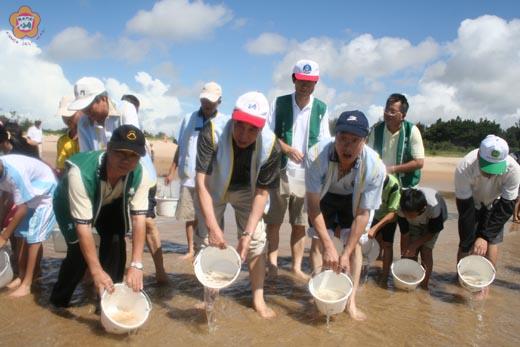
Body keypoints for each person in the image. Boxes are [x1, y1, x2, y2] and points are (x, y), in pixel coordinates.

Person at [67, 78, 167, 283]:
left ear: (103, 98)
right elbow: (90, 155)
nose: (86, 111)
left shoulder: (125, 109)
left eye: (89, 105)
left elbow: (132, 145)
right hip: (106, 179)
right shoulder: (85, 122)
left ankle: (159, 271)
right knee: (111, 227)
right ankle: (109, 272)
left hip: (138, 175)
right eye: (83, 107)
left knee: (146, 222)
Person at [195, 91, 281, 319]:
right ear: (233, 117)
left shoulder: (272, 146)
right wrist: (214, 228)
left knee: (256, 242)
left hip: (248, 192)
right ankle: (209, 296)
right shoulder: (212, 130)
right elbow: (200, 182)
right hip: (213, 186)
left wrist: (247, 233)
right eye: (240, 125)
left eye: (253, 129)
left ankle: (258, 298)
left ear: (262, 127)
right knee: (206, 240)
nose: (244, 134)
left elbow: (262, 193)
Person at [50, 125, 152, 307]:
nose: (126, 161)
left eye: (133, 155)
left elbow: (138, 220)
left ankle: (107, 303)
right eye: (120, 153)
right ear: (108, 148)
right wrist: (96, 269)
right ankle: (59, 301)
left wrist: (136, 264)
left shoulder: (141, 173)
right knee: (78, 255)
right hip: (69, 204)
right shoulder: (79, 173)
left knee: (116, 240)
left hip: (108, 199)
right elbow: (83, 228)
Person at [306, 110, 385, 321]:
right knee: (318, 243)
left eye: (354, 140)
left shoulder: (375, 167)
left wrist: (345, 250)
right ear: (335, 137)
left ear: (364, 141)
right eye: (342, 139)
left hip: (353, 198)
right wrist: (330, 245)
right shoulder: (315, 156)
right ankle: (317, 299)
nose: (347, 147)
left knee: (355, 246)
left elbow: (363, 214)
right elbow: (313, 206)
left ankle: (351, 302)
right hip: (325, 194)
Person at [265, 59, 331, 281]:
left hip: (308, 175)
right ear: (294, 80)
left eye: (310, 82)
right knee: (273, 220)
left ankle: (295, 267)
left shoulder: (321, 108)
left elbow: (324, 141)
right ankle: (272, 263)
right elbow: (267, 134)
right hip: (280, 170)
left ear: (316, 83)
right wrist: (285, 148)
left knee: (300, 223)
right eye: (302, 81)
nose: (306, 86)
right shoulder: (279, 103)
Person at [165, 82, 226, 260]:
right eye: (204, 100)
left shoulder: (224, 122)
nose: (207, 104)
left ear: (219, 101)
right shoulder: (188, 118)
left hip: (211, 182)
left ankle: (212, 252)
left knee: (211, 219)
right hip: (188, 178)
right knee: (189, 215)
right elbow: (181, 146)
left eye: (212, 101)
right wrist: (171, 171)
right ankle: (192, 249)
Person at [455, 135, 520, 268]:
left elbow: (506, 206)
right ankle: (460, 278)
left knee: (492, 241)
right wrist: (470, 238)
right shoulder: (465, 167)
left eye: (495, 168)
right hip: (471, 203)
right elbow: (465, 209)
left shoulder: (514, 169)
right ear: (479, 155)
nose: (490, 173)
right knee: (465, 243)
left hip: (495, 203)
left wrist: (485, 237)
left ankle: (486, 283)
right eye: (487, 167)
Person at [0, 154, 57, 297]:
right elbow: (6, 195)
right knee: (20, 234)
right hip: (30, 195)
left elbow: (22, 209)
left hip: (46, 195)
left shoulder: (14, 173)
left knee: (34, 237)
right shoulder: (4, 172)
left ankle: (27, 283)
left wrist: (4, 236)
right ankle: (22, 275)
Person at [398, 187, 447, 289]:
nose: (407, 216)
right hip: (413, 224)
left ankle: (424, 285)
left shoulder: (433, 207)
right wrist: (404, 254)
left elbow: (432, 232)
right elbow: (404, 233)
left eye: (410, 215)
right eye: (405, 214)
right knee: (409, 255)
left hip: (433, 223)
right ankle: (410, 282)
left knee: (426, 251)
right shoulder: (402, 207)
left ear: (422, 210)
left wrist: (415, 245)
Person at [367, 174, 401, 283]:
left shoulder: (394, 185)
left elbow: (393, 213)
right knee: (370, 243)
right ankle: (368, 270)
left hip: (389, 217)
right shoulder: (368, 180)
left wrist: (375, 228)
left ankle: (385, 276)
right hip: (373, 214)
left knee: (387, 245)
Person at [55, 96, 81, 177]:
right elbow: (61, 168)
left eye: (70, 115)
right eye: (64, 116)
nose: (67, 119)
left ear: (81, 111)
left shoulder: (93, 134)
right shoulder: (62, 141)